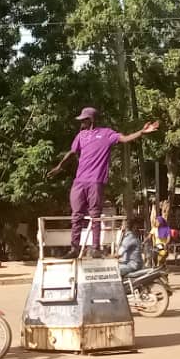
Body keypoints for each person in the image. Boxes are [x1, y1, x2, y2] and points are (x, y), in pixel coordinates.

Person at [48, 107, 159, 259]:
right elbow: (72, 152)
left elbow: (124, 138)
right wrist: (60, 167)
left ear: (91, 120)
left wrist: (141, 132)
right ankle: (74, 248)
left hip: (96, 181)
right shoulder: (81, 135)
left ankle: (95, 248)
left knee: (95, 216)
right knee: (76, 215)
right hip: (79, 181)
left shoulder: (106, 134)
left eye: (84, 120)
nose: (81, 122)